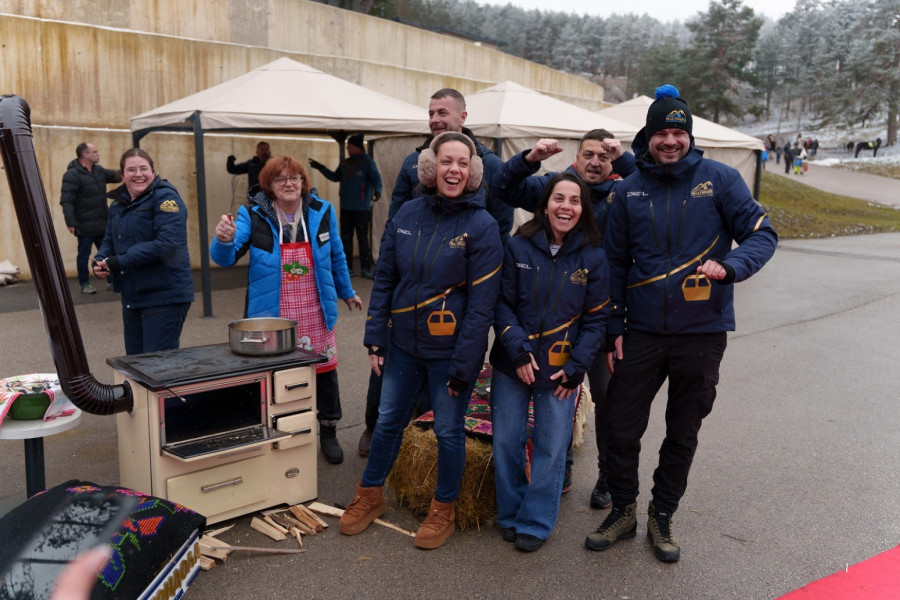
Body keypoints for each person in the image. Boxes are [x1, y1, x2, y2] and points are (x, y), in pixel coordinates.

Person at [584, 85, 777, 563]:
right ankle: (625, 509)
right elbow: (615, 265)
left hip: (701, 331)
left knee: (683, 429)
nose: (670, 140)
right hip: (642, 331)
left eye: (678, 131)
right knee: (621, 426)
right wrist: (613, 329)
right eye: (661, 133)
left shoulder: (722, 180)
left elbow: (762, 233)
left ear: (689, 135)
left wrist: (731, 267)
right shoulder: (628, 191)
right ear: (647, 137)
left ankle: (662, 513)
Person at [339, 132, 502, 550]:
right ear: (431, 168)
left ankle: (443, 507)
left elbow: (482, 307)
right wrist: (376, 337)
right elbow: (387, 279)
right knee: (389, 420)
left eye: (462, 164)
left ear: (472, 172)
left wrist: (466, 365)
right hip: (403, 347)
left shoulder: (482, 226)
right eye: (446, 161)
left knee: (448, 431)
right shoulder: (408, 213)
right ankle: (369, 494)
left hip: (449, 353)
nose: (454, 170)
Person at [358, 88, 512, 457]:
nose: (435, 119)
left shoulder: (488, 164)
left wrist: (476, 267)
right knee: (387, 375)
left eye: (442, 112)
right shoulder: (416, 161)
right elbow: (396, 213)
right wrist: (395, 259)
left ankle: (423, 443)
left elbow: (501, 223)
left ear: (462, 117)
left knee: (440, 386)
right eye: (430, 113)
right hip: (411, 280)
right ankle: (373, 427)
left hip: (453, 285)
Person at [490, 129, 636, 509]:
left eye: (605, 157)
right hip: (547, 315)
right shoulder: (554, 187)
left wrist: (625, 161)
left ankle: (606, 474)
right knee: (551, 405)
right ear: (577, 156)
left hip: (599, 315)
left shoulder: (625, 194)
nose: (595, 162)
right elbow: (503, 185)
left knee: (606, 400)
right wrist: (530, 158)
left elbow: (652, 187)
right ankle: (562, 466)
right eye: (589, 154)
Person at [210, 155, 361, 464]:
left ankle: (329, 431)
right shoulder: (252, 215)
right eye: (281, 179)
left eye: (295, 178)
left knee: (325, 375)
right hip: (272, 313)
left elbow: (336, 257)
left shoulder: (322, 211)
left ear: (304, 183)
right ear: (269, 185)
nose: (289, 184)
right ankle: (280, 434)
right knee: (276, 377)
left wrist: (347, 292)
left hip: (315, 309)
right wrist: (222, 240)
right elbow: (225, 258)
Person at [490, 172, 610, 552]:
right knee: (507, 441)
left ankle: (536, 521)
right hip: (514, 364)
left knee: (551, 447)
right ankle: (510, 513)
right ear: (545, 205)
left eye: (575, 201)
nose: (566, 207)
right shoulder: (518, 246)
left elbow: (596, 320)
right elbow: (502, 303)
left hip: (561, 371)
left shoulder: (593, 256)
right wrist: (517, 349)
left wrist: (576, 368)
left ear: (582, 210)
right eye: (559, 198)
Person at [92, 149, 194, 355]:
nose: (138, 174)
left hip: (165, 294)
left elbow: (167, 243)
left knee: (158, 365)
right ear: (122, 175)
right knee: (136, 362)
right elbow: (110, 240)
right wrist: (100, 260)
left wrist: (119, 262)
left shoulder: (166, 198)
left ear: (154, 172)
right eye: (131, 169)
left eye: (143, 168)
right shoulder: (117, 206)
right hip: (133, 295)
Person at [308, 133, 383, 279]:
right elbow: (335, 177)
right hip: (346, 207)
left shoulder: (368, 162)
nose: (347, 147)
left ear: (357, 147)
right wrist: (320, 167)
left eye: (350, 145)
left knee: (362, 238)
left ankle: (365, 268)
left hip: (362, 208)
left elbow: (376, 179)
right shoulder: (345, 163)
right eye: (347, 145)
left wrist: (378, 191)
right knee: (346, 238)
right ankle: (348, 267)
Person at [59, 142, 121, 295]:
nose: (98, 154)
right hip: (84, 224)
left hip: (102, 223)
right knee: (84, 255)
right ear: (85, 155)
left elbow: (116, 175)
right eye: (95, 151)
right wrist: (71, 222)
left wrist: (131, 169)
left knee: (107, 254)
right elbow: (67, 200)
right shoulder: (72, 175)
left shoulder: (99, 171)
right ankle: (84, 283)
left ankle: (112, 281)